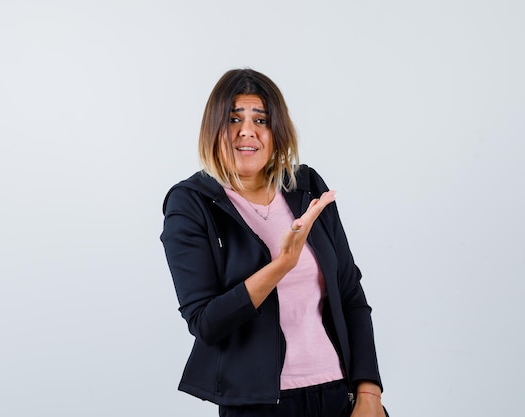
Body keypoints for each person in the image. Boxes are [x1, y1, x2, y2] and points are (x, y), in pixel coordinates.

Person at [160, 68, 387, 417]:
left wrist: (369, 392)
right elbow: (205, 322)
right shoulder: (190, 204)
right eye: (233, 118)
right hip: (260, 405)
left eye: (261, 120)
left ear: (276, 132)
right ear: (213, 129)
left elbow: (351, 295)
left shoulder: (306, 186)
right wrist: (281, 264)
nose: (247, 130)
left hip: (340, 395)